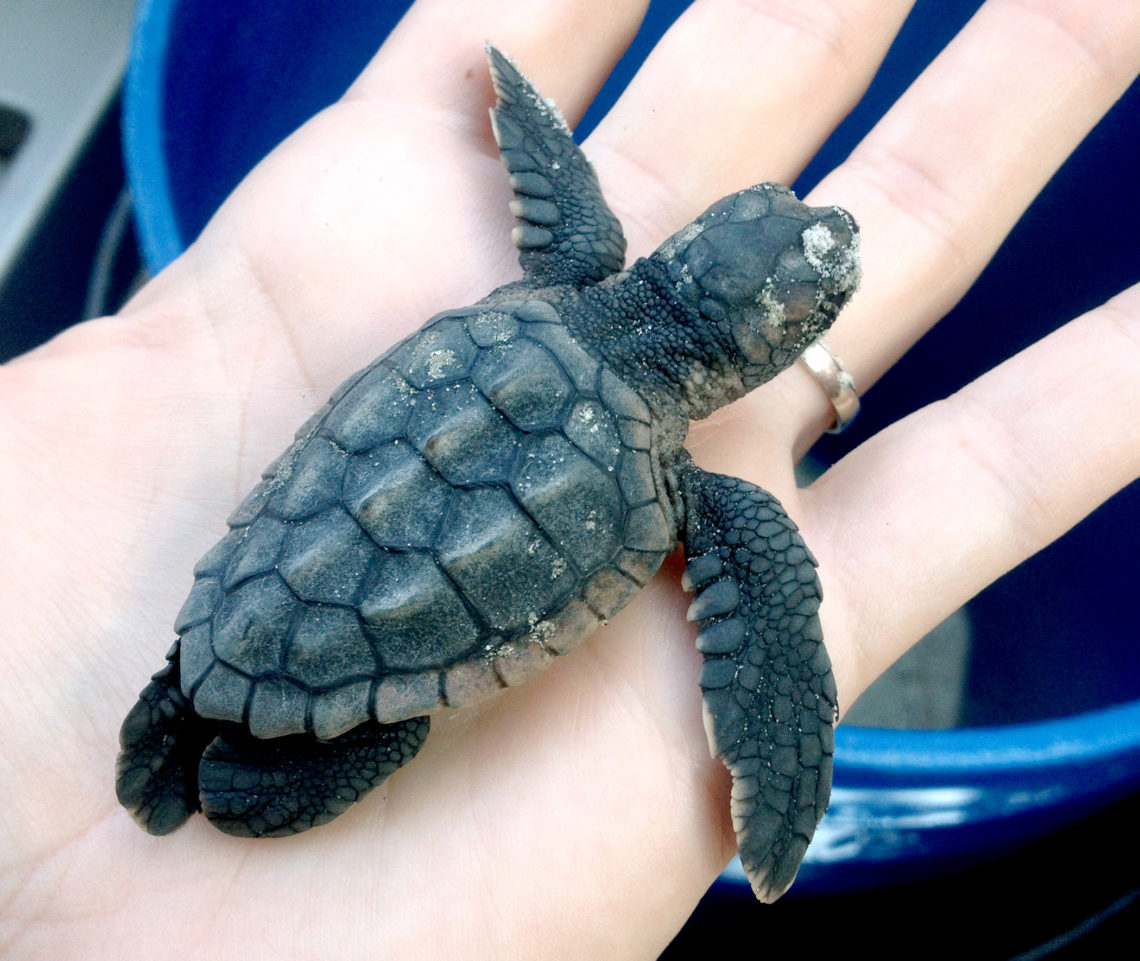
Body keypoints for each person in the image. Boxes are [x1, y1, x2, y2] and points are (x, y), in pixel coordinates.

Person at [1, 1, 1136, 956]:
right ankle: (246, 765)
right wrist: (782, 776)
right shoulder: (690, 498)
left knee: (327, 706)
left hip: (253, 584)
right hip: (357, 631)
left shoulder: (568, 277)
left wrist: (519, 102)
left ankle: (203, 701)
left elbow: (549, 165)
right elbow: (777, 645)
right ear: (761, 355)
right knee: (388, 730)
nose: (813, 222)